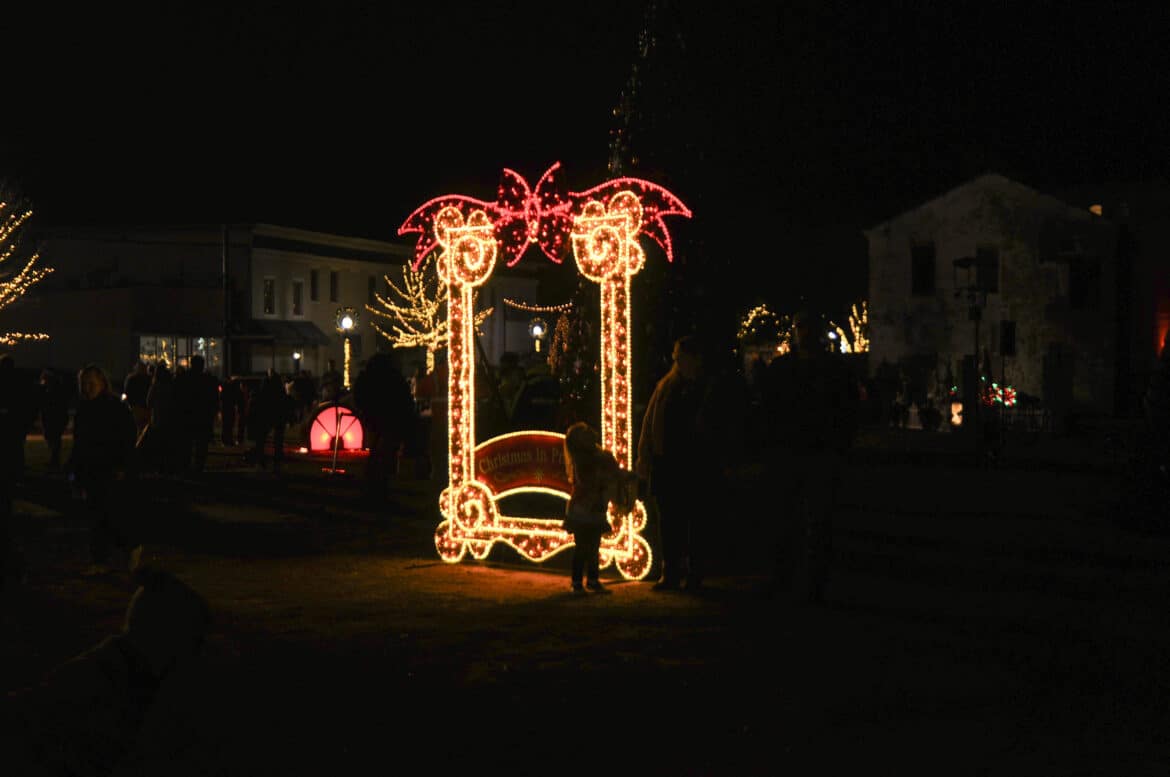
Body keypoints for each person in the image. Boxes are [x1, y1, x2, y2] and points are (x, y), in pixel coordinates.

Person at [763, 312, 859, 603]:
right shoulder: (790, 368)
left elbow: (847, 410)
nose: (802, 333)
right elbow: (769, 409)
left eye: (806, 328)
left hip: (817, 451)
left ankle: (810, 581)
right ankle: (789, 577)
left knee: (815, 521)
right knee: (789, 518)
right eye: (800, 327)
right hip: (794, 451)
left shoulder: (830, 369)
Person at [635, 335, 708, 592]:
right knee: (670, 520)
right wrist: (645, 455)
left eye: (681, 356)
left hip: (690, 463)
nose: (676, 360)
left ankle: (690, 572)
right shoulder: (667, 385)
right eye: (676, 356)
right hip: (668, 462)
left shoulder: (698, 387)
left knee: (689, 520)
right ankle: (673, 571)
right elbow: (650, 422)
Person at [68, 364, 138, 572]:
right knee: (96, 514)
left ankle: (128, 547)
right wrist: (75, 468)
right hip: (91, 468)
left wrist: (122, 465)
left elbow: (127, 437)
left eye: (91, 383)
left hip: (109, 467)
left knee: (110, 513)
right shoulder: (83, 409)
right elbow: (79, 442)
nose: (87, 388)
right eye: (84, 384)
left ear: (102, 383)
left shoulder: (115, 408)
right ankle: (101, 558)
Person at [562, 421, 630, 594]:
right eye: (584, 434)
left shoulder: (601, 456)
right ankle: (577, 582)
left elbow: (613, 474)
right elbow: (587, 481)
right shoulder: (581, 460)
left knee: (593, 546)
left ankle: (592, 579)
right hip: (583, 508)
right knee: (582, 546)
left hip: (596, 507)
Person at [173, 354, 220, 473]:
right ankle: (199, 467)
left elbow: (176, 397)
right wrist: (213, 413)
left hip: (187, 416)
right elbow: (214, 399)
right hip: (203, 417)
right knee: (201, 445)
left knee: (186, 443)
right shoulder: (208, 380)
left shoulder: (183, 378)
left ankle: (185, 466)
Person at [247, 369, 291, 473]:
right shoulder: (279, 390)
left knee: (261, 439)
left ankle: (261, 460)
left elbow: (256, 402)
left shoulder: (264, 387)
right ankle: (277, 460)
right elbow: (285, 403)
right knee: (278, 439)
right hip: (277, 415)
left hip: (265, 415)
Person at [144, 361, 178, 474]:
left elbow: (148, 402)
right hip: (170, 419)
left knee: (158, 443)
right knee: (168, 443)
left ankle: (159, 466)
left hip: (158, 418)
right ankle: (168, 466)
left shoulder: (155, 387)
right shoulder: (172, 386)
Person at [38, 368, 71, 469]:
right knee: (53, 440)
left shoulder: (54, 391)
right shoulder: (50, 389)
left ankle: (54, 462)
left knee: (54, 440)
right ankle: (54, 461)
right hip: (52, 419)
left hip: (54, 419)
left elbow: (56, 406)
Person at [122, 360, 151, 435]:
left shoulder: (131, 379)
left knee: (137, 427)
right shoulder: (150, 379)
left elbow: (127, 392)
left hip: (136, 407)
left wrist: (130, 404)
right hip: (147, 408)